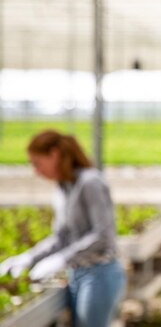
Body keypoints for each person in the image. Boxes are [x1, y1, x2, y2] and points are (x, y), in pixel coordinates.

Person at [0, 130, 126, 327]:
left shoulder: (90, 182)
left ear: (54, 154)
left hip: (99, 273)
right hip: (76, 273)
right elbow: (60, 237)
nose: (36, 171)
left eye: (37, 163)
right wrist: (29, 258)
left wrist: (62, 258)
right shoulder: (63, 187)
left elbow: (104, 234)